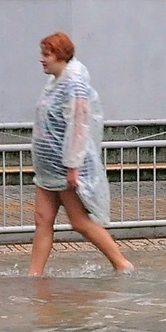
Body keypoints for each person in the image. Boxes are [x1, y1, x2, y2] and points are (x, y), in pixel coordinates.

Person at [29, 32, 134, 277]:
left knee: (79, 221)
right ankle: (35, 275)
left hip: (64, 167)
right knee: (42, 219)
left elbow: (79, 126)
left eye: (47, 55)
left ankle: (121, 263)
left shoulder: (73, 84)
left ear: (60, 56)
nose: (42, 60)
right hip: (48, 168)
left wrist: (73, 165)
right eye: (42, 54)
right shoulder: (56, 81)